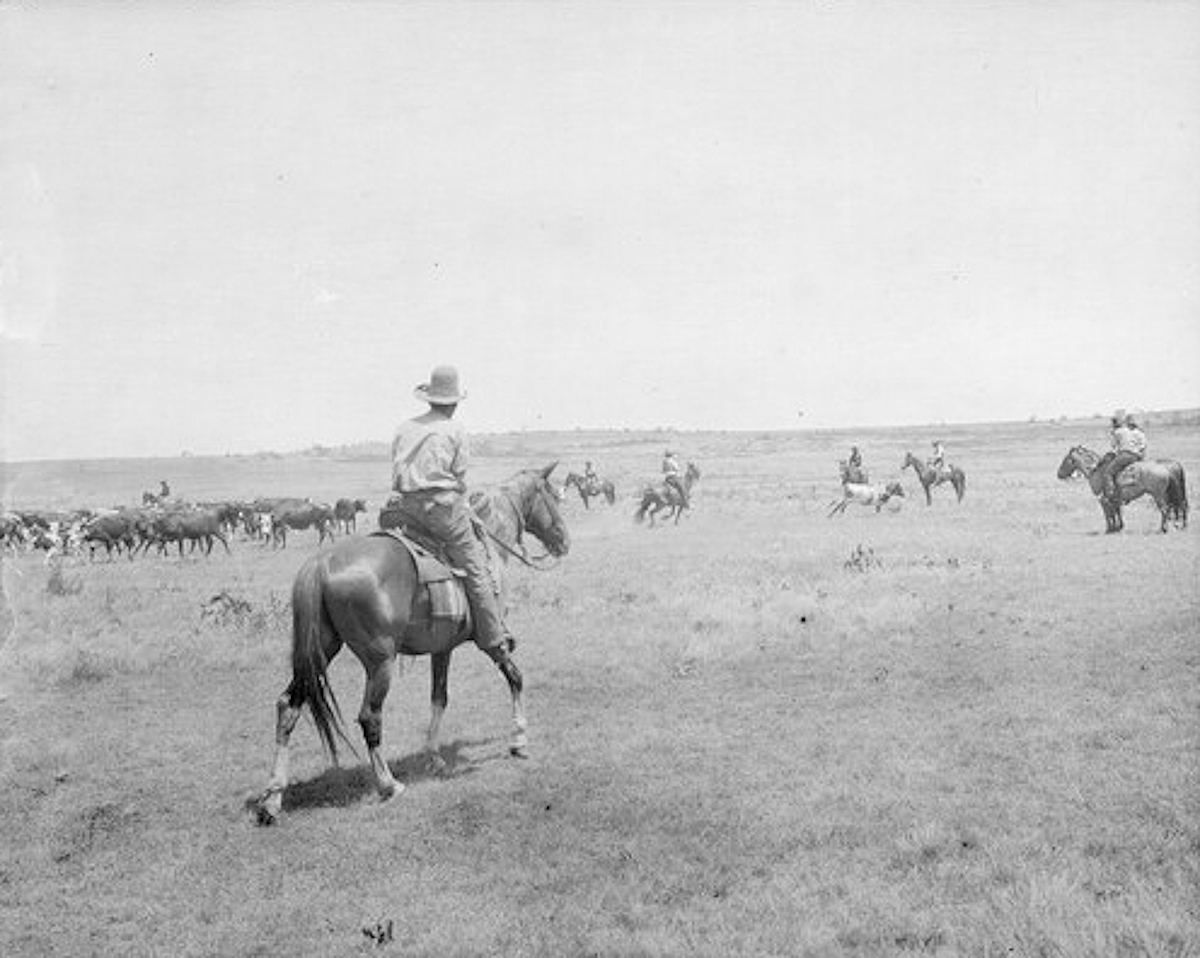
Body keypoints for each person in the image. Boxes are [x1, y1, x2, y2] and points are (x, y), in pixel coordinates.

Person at [389, 365, 513, 655]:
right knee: (476, 568)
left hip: (404, 509)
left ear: (429, 398)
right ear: (454, 403)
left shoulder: (405, 427)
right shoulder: (456, 429)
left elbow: (395, 471)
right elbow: (459, 474)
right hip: (442, 512)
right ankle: (494, 638)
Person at [1100, 410, 1147, 501]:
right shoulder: (1129, 430)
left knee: (1108, 473)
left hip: (1126, 455)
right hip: (1136, 455)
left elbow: (1114, 448)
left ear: (1114, 424)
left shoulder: (1116, 432)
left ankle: (1111, 494)